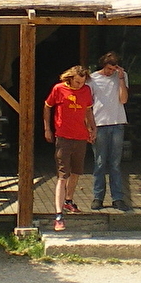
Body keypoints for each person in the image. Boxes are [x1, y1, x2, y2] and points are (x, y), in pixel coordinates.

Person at [43, 65, 95, 232]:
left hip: (80, 136)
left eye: (82, 82)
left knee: (77, 172)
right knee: (62, 175)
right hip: (63, 137)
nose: (80, 85)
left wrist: (92, 128)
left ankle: (69, 200)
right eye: (77, 81)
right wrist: (47, 128)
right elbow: (47, 106)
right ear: (70, 78)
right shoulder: (59, 89)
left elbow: (88, 111)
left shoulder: (86, 90)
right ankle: (58, 215)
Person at [86, 51, 129, 210]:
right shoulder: (92, 79)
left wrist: (120, 78)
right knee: (99, 162)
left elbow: (123, 99)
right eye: (109, 69)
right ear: (103, 65)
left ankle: (117, 197)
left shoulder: (121, 76)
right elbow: (87, 105)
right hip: (99, 123)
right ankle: (98, 196)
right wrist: (90, 127)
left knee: (115, 163)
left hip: (117, 122)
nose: (111, 72)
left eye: (114, 69)